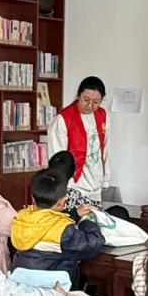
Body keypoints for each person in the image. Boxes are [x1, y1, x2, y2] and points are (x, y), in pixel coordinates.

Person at [10, 167, 107, 280]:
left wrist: (75, 214)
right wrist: (88, 220)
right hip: (53, 286)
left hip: (21, 282)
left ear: (33, 198)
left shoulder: (21, 218)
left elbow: (48, 223)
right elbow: (93, 244)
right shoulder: (64, 231)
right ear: (62, 202)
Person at [46, 75, 109, 203]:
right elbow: (56, 158)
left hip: (96, 186)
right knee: (76, 216)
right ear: (78, 96)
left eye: (96, 102)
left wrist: (105, 178)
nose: (90, 105)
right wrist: (63, 186)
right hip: (74, 186)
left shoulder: (103, 115)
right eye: (86, 100)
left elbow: (106, 148)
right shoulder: (63, 119)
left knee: (95, 216)